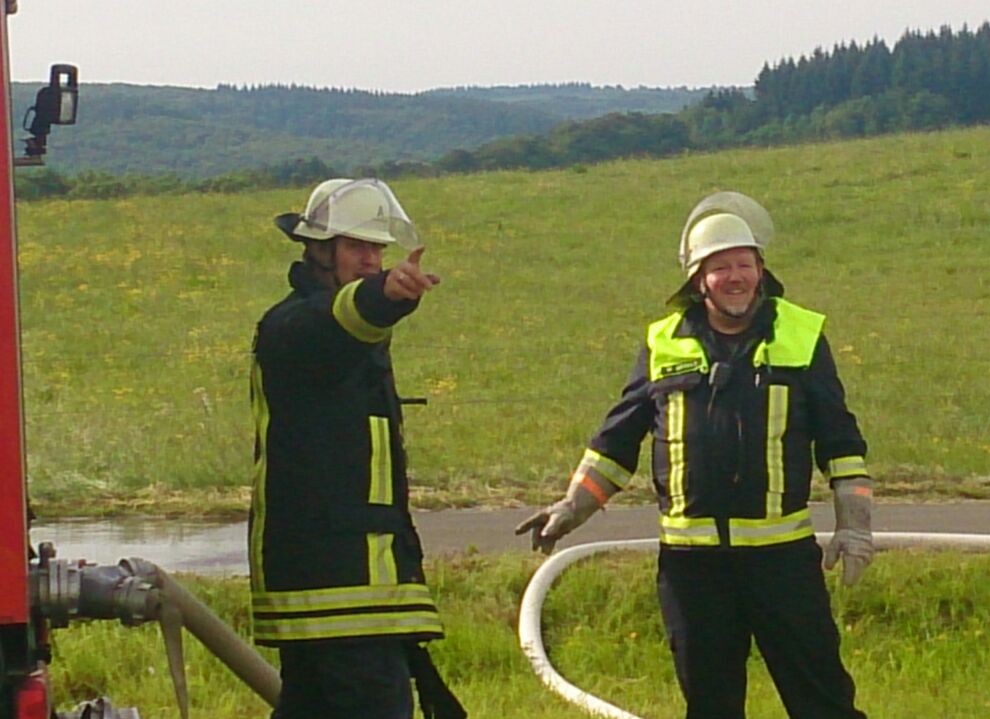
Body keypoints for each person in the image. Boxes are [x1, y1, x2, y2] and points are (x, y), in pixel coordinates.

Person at [517, 191, 874, 719]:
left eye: (745, 264)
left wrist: (855, 526)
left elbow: (841, 443)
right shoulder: (663, 343)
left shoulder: (801, 335)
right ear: (697, 280)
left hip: (782, 564)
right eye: (721, 266)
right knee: (710, 705)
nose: (736, 277)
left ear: (761, 270)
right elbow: (616, 444)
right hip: (693, 570)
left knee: (823, 702)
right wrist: (571, 509)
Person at [250, 178, 465, 719]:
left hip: (350, 596)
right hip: (339, 591)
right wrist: (386, 296)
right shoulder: (293, 328)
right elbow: (341, 321)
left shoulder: (351, 341)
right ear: (319, 251)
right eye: (355, 247)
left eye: (377, 249)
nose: (370, 259)